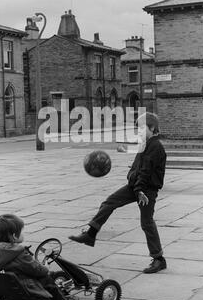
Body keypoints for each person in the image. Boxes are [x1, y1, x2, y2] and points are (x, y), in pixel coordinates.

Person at [69, 112, 167, 274]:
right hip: (136, 187)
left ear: (152, 128)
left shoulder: (155, 146)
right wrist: (132, 179)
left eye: (142, 128)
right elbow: (138, 168)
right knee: (109, 202)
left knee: (147, 222)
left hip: (145, 190)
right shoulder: (146, 143)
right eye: (138, 128)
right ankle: (91, 234)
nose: (139, 131)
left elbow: (146, 171)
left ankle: (159, 259)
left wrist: (139, 189)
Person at [0, 214, 79, 300]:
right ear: (14, 236)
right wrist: (45, 268)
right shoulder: (19, 254)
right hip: (23, 288)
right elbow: (36, 269)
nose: (23, 233)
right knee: (46, 279)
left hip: (1, 287)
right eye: (22, 231)